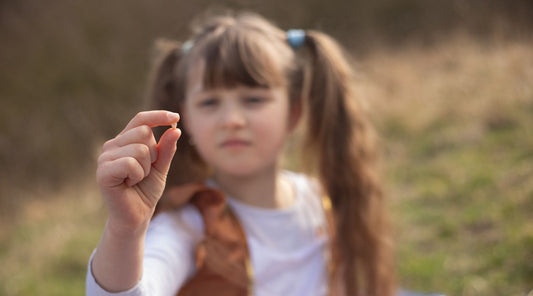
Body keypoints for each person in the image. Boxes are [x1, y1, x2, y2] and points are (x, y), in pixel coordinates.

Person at [86, 12, 396, 296]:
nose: (232, 120)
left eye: (253, 99)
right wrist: (126, 231)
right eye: (210, 103)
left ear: (294, 112)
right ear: (187, 119)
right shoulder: (190, 226)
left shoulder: (321, 202)